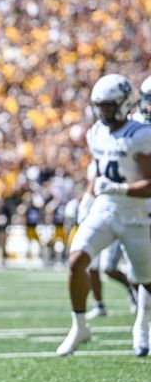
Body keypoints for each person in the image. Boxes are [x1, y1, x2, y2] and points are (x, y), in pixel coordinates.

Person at [57, 74, 151, 357]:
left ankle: (142, 327)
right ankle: (80, 325)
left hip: (137, 215)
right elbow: (99, 172)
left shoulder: (140, 135)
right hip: (107, 209)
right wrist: (87, 199)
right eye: (100, 106)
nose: (103, 112)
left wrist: (119, 189)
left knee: (145, 280)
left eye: (108, 106)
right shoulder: (96, 132)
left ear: (123, 104)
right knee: (77, 259)